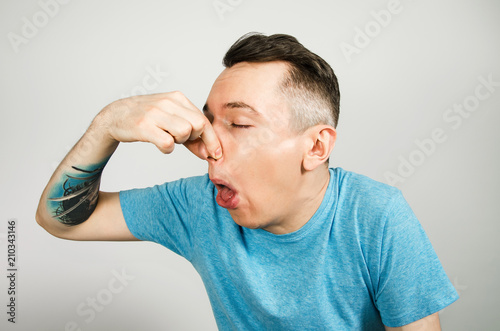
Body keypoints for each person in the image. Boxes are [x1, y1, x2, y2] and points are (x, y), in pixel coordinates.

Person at [36, 33, 458, 330]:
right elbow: (61, 220)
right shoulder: (199, 205)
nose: (209, 142)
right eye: (210, 122)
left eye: (238, 123)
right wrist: (105, 127)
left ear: (315, 147)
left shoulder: (376, 216)